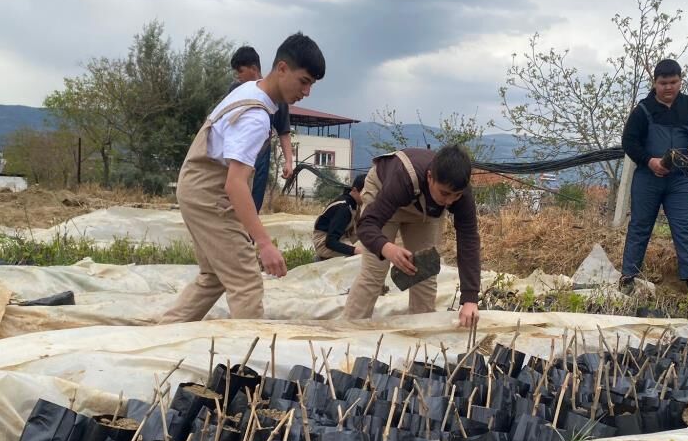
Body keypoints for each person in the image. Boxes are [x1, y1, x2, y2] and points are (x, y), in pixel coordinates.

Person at [158, 32, 325, 323]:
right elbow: (234, 183)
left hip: (196, 187)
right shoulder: (256, 118)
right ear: (282, 68)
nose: (306, 92)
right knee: (246, 281)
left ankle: (162, 333)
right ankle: (245, 363)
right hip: (209, 196)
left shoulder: (248, 91)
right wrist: (265, 244)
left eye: (311, 84)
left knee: (214, 277)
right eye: (304, 81)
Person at [343, 144, 481, 327]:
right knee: (374, 273)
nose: (449, 201)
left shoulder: (460, 194)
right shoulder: (404, 178)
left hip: (422, 210)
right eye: (445, 193)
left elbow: (469, 239)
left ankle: (420, 336)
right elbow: (367, 225)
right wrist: (387, 248)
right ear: (430, 177)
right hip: (383, 194)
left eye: (455, 195)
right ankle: (349, 332)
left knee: (424, 271)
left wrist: (470, 298)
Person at [618, 59, 688, 293]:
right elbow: (628, 141)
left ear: (680, 81)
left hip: (680, 178)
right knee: (640, 226)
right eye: (663, 83)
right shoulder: (643, 109)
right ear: (655, 83)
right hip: (648, 177)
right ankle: (628, 276)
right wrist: (649, 161)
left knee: (684, 227)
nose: (669, 87)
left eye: (674, 82)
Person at [229, 46, 295, 212]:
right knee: (231, 198)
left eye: (240, 71)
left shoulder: (277, 96)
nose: (238, 76)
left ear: (254, 68)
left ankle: (249, 237)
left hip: (260, 156)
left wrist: (288, 161)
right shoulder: (235, 90)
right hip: (235, 152)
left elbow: (284, 131)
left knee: (253, 202)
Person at [313, 173, 366, 259]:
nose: (370, 197)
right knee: (363, 256)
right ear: (355, 190)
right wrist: (356, 251)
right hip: (323, 243)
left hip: (341, 238)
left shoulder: (355, 204)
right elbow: (330, 242)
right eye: (366, 193)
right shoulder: (344, 208)